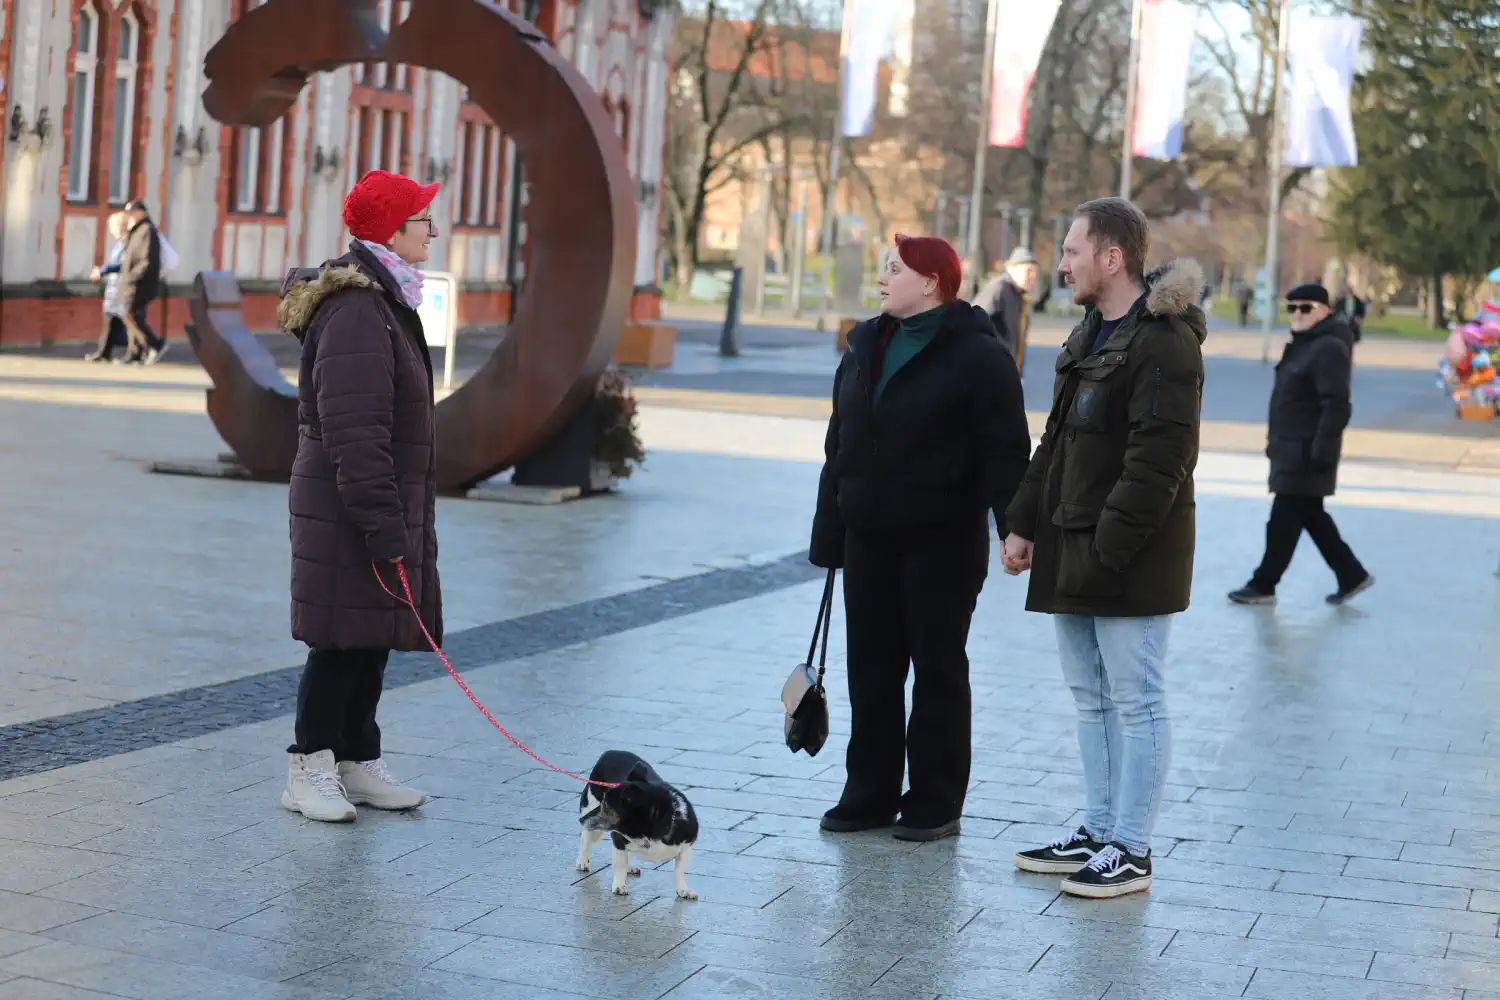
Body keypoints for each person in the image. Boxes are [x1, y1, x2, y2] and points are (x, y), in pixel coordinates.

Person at [1002, 197, 1205, 898]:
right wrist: (1024, 521)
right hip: (1071, 541)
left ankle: (1132, 848)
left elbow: (1160, 461)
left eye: (1071, 251)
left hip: (1126, 554)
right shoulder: (1091, 330)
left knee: (1136, 698)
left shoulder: (1165, 340)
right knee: (1091, 698)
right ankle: (1097, 829)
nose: (1062, 264)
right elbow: (1055, 440)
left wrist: (1110, 550)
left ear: (1111, 257)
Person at [810, 234, 1032, 842]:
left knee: (937, 669)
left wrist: (1014, 526)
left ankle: (935, 800)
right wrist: (830, 534)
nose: (882, 278)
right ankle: (869, 794)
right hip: (869, 536)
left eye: (895, 269)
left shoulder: (978, 356)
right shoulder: (861, 347)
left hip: (942, 541)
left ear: (932, 281)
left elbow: (1005, 452)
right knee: (871, 671)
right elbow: (840, 447)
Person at [277, 169, 444, 823]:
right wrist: (382, 520)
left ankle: (355, 758)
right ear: (390, 232)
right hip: (347, 506)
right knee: (340, 638)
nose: (433, 229)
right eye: (422, 218)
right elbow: (354, 430)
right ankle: (308, 766)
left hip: (373, 503)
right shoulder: (355, 311)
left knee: (371, 632)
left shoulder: (386, 298)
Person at [1229, 283, 1373, 607]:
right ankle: (1351, 574)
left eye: (1305, 308)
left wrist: (1322, 449)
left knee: (1283, 519)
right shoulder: (1303, 344)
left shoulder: (1328, 348)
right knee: (1311, 517)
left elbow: (1336, 404)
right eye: (1291, 307)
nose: (1297, 314)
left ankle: (1264, 583)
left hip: (1307, 453)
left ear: (1324, 311)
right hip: (1290, 449)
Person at [117, 199, 169, 365]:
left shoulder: (147, 230)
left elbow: (147, 260)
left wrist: (133, 276)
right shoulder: (137, 230)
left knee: (128, 313)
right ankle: (134, 353)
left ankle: (155, 344)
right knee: (134, 315)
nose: (129, 215)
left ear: (141, 212)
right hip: (132, 282)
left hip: (141, 283)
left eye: (131, 211)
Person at [977, 246, 1039, 365]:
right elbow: (976, 320)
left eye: (1035, 271)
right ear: (1012, 269)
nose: (1033, 276)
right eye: (1029, 270)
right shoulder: (999, 288)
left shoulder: (1020, 294)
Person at [84, 211, 131, 363]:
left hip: (120, 287)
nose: (111, 231)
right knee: (111, 321)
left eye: (112, 227)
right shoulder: (121, 243)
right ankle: (103, 352)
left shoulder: (126, 243)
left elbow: (121, 264)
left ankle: (146, 346)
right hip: (114, 287)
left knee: (122, 321)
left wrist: (102, 271)